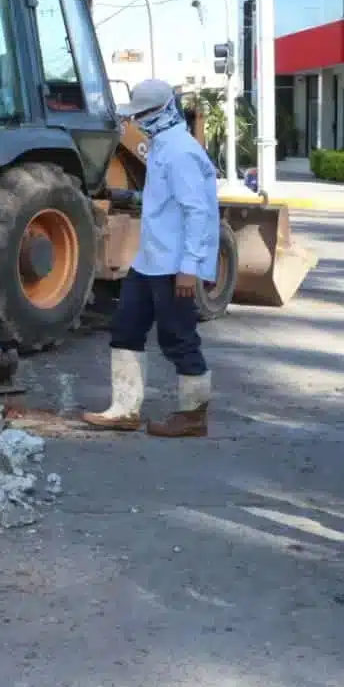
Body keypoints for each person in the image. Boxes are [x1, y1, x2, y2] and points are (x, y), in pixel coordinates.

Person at [81, 77, 220, 438]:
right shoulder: (161, 146)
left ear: (162, 111)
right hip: (149, 261)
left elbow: (198, 212)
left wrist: (190, 267)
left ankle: (193, 415)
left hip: (175, 265)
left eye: (141, 115)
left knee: (178, 337)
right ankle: (124, 409)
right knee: (126, 328)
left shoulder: (180, 152)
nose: (136, 122)